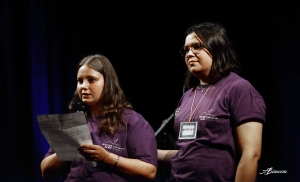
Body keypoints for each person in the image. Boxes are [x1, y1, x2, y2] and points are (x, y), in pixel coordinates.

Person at [157, 21, 266, 182]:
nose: (189, 53)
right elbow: (185, 155)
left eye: (196, 47)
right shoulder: (187, 97)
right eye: (186, 49)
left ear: (217, 47)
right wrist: (146, 151)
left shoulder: (239, 89)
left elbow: (251, 154)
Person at [41, 54, 157, 181]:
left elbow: (149, 171)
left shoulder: (132, 121)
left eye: (91, 80)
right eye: (80, 81)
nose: (83, 86)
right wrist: (65, 147)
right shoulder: (72, 122)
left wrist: (106, 157)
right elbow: (46, 172)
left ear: (107, 83)